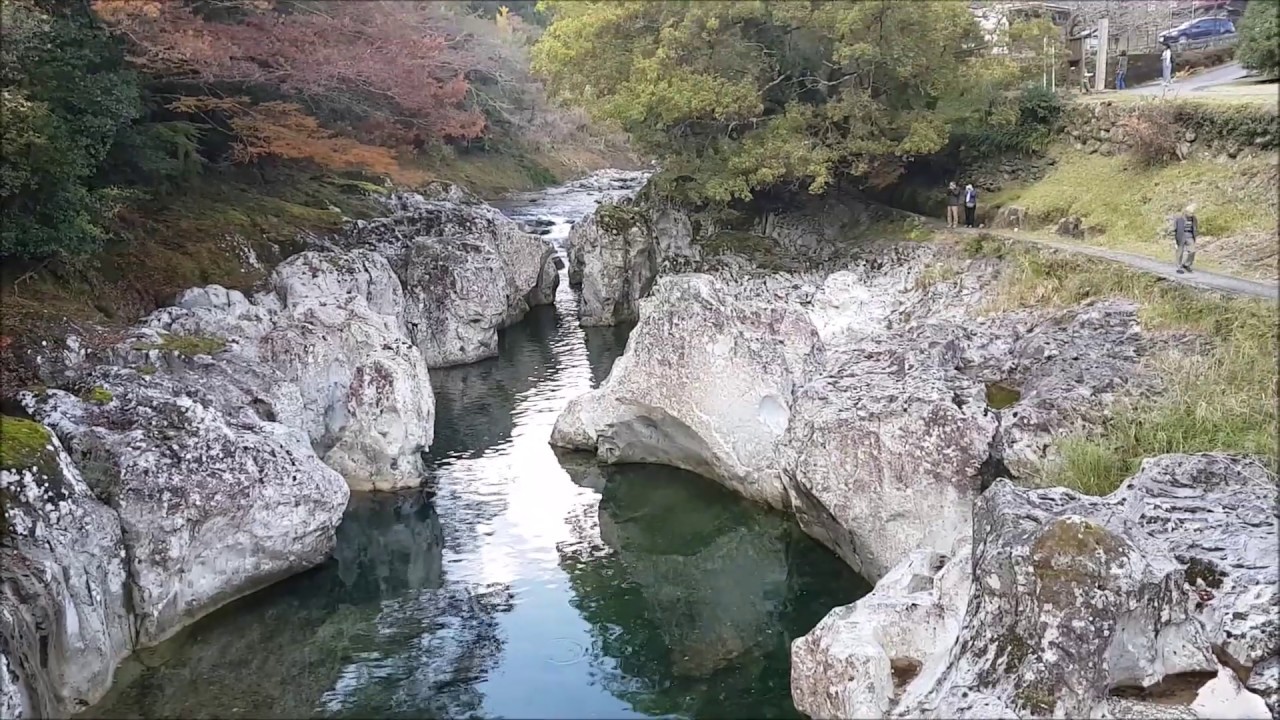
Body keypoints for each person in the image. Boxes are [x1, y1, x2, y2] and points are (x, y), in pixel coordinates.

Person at [1173, 203, 1198, 274]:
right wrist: (1174, 240)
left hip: (1190, 235)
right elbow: (1174, 229)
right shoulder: (1179, 218)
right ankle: (1179, 267)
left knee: (1192, 251)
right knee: (1179, 252)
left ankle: (1186, 264)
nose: (1192, 214)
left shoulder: (1194, 218)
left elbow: (1195, 228)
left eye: (1193, 213)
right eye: (1190, 213)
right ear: (1186, 212)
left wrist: (1195, 235)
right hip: (1181, 236)